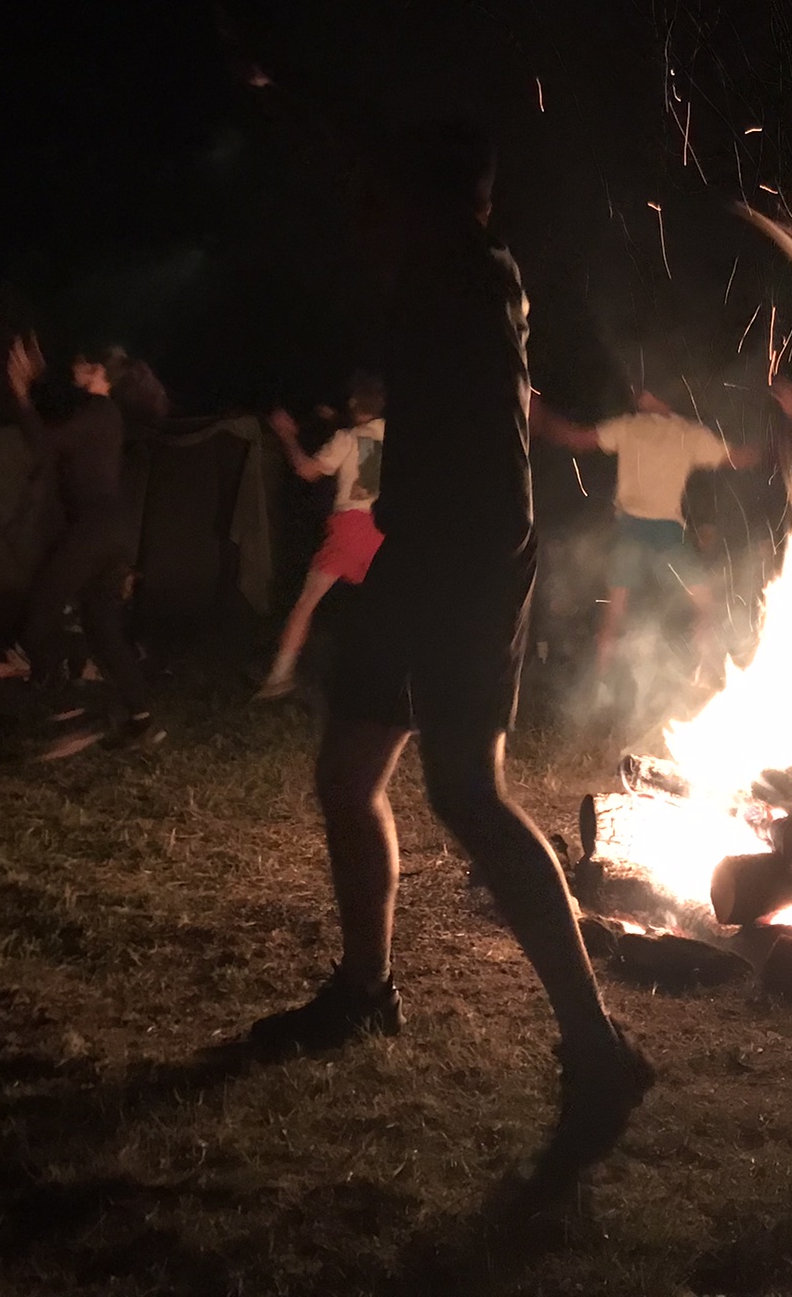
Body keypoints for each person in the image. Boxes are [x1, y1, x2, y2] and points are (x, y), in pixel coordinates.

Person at [245, 121, 653, 1186]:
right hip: (415, 549)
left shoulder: (465, 278)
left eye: (381, 196)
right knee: (349, 772)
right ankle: (364, 991)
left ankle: (598, 1050)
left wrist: (283, 97)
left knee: (468, 793)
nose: (365, 215)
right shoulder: (455, 274)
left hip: (462, 560)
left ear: (426, 203)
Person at [532, 379, 764, 689]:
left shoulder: (630, 427)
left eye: (642, 389)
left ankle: (601, 685)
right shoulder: (686, 433)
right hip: (667, 534)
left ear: (651, 395)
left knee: (614, 616)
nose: (636, 394)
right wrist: (774, 445)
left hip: (632, 529)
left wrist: (541, 419)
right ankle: (706, 674)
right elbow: (735, 457)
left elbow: (578, 439)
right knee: (706, 606)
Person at [6, 337, 155, 755]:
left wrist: (20, 391)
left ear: (98, 372)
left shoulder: (99, 411)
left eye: (82, 361)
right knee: (102, 626)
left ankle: (75, 712)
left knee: (39, 615)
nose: (74, 363)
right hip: (112, 530)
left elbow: (43, 444)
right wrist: (35, 387)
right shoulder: (101, 414)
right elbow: (58, 433)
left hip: (94, 529)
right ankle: (141, 718)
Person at [257, 372, 388, 700]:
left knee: (306, 603)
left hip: (348, 528)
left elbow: (308, 471)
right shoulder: (391, 435)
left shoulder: (346, 438)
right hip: (382, 530)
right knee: (388, 608)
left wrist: (287, 436)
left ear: (353, 402)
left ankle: (280, 676)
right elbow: (369, 443)